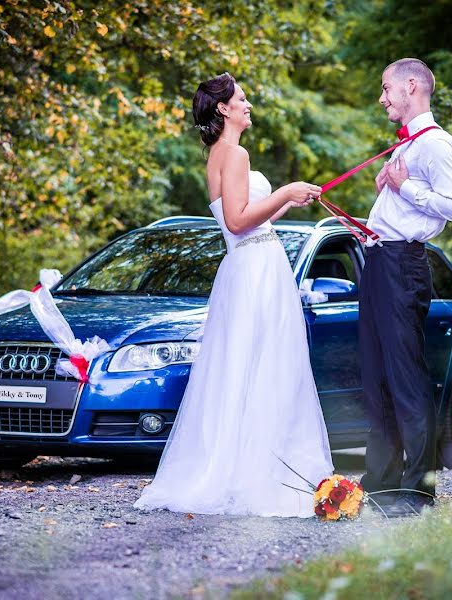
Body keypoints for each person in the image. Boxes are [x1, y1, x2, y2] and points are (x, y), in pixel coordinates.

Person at [134, 73, 334, 517]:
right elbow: (240, 221)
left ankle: (246, 465)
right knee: (268, 364)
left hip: (247, 266)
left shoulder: (218, 154)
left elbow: (245, 217)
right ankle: (261, 473)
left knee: (246, 365)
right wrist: (283, 189)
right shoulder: (235, 153)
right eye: (241, 99)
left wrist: (288, 202)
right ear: (223, 109)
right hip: (256, 269)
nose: (248, 104)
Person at [360, 58, 452, 517]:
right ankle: (381, 485)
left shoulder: (435, 145)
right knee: (378, 379)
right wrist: (388, 193)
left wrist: (406, 190)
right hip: (378, 263)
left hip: (402, 266)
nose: (382, 98)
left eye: (387, 88)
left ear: (412, 87)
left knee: (406, 379)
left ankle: (418, 492)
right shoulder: (406, 146)